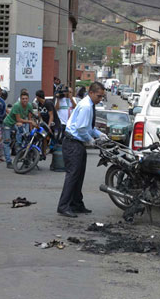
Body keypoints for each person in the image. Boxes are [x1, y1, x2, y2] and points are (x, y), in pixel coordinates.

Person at [56, 82, 108, 218]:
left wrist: (98, 134)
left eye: (102, 97)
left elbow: (88, 127)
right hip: (73, 143)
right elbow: (81, 129)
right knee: (73, 175)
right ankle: (63, 206)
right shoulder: (86, 106)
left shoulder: (89, 104)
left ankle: (76, 204)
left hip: (77, 143)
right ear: (91, 93)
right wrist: (90, 140)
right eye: (99, 96)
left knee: (79, 175)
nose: (100, 99)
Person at [2, 91, 36, 169]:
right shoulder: (17, 106)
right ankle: (8, 161)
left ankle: (21, 154)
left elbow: (29, 118)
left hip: (18, 123)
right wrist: (30, 121)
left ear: (28, 99)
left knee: (25, 137)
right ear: (20, 99)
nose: (24, 100)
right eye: (23, 99)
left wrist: (31, 131)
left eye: (26, 99)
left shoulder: (29, 106)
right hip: (8, 123)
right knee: (7, 141)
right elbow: (19, 119)